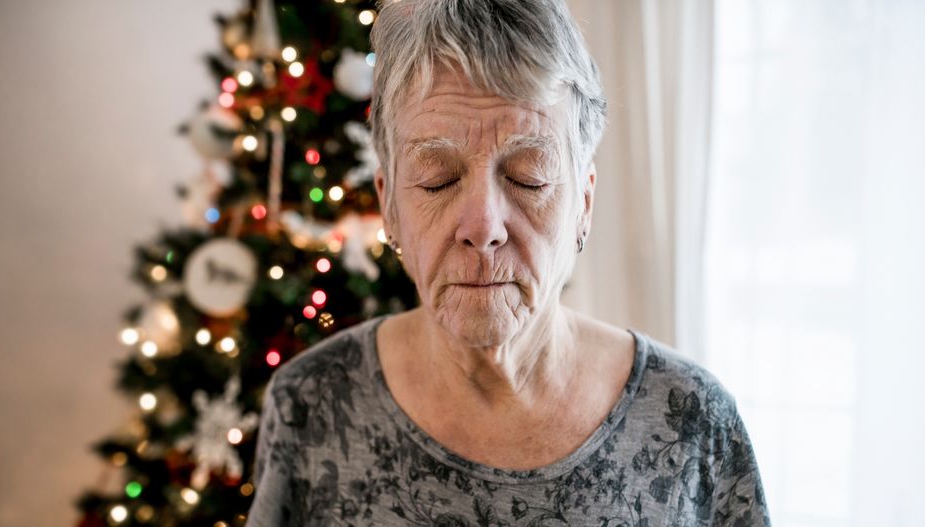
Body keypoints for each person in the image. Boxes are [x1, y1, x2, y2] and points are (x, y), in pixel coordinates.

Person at [247, 0, 770, 525]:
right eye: (437, 179)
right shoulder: (311, 405)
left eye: (529, 177)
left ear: (583, 204)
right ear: (388, 206)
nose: (483, 227)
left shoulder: (693, 421)